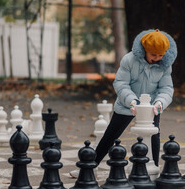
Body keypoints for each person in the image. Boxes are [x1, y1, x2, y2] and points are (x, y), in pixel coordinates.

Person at [70, 29, 177, 178]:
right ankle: (89, 167)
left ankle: (153, 169)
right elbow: (121, 83)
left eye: (161, 55)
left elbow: (166, 88)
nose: (157, 58)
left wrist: (160, 103)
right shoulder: (129, 60)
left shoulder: (165, 65)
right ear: (145, 50)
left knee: (153, 137)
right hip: (128, 104)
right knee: (110, 136)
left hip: (151, 107)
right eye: (153, 54)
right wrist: (132, 101)